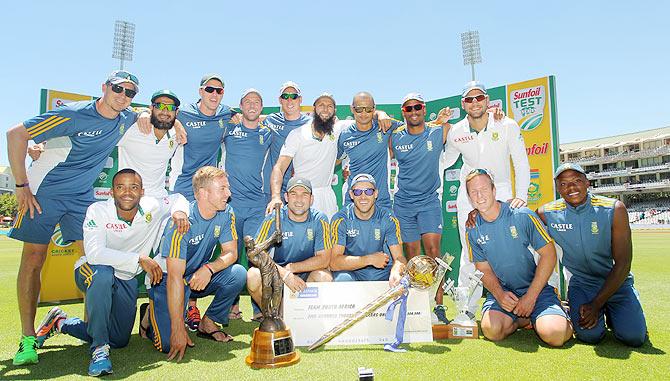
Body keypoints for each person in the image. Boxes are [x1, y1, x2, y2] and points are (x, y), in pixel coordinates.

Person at [7, 70, 140, 366]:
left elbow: (150, 114)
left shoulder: (126, 117)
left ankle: (93, 334)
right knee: (33, 261)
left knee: (95, 264)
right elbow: (16, 134)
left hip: (82, 199)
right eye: (118, 88)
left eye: (130, 93)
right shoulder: (74, 114)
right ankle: (28, 337)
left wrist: (150, 116)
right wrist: (21, 185)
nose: (123, 96)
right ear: (104, 87)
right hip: (44, 193)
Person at [33, 169, 189, 376]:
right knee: (104, 274)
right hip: (91, 269)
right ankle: (99, 350)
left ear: (142, 192)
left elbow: (178, 198)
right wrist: (138, 259)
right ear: (111, 191)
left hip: (126, 276)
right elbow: (95, 253)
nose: (127, 192)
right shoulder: (97, 210)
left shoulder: (151, 206)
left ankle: (60, 322)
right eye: (120, 187)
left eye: (133, 187)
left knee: (118, 340)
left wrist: (180, 212)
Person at [441, 81, 530, 316]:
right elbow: (444, 161)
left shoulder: (507, 124)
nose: (474, 103)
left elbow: (521, 162)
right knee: (470, 251)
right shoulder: (456, 131)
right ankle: (466, 310)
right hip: (468, 196)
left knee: (512, 247)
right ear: (463, 104)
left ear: (487, 101)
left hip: (501, 191)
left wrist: (521, 196)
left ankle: (525, 304)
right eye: (469, 99)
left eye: (479, 98)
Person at [140, 166, 246, 361]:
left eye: (227, 188)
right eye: (222, 189)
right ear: (203, 194)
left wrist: (209, 268)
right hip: (166, 280)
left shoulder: (226, 212)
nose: (228, 194)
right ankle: (149, 311)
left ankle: (209, 322)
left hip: (196, 276)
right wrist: (178, 328)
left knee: (238, 273)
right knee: (167, 344)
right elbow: (174, 277)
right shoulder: (183, 222)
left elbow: (231, 253)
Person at [538, 163, 647, 347]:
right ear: (558, 188)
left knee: (633, 337)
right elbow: (523, 223)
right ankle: (596, 311)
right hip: (582, 284)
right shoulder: (547, 213)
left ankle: (613, 311)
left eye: (577, 181)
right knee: (589, 336)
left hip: (616, 282)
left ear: (587, 183)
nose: (571, 187)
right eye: (563, 184)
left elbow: (623, 263)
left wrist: (597, 304)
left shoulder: (614, 209)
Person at [465, 169, 572, 347]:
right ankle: (524, 320)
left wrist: (530, 297)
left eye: (484, 189)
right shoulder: (472, 227)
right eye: (473, 192)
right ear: (469, 197)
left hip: (537, 290)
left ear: (494, 190)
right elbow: (482, 268)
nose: (479, 196)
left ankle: (556, 314)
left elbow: (549, 254)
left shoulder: (521, 215)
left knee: (555, 335)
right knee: (492, 331)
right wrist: (499, 295)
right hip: (505, 291)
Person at [390, 93, 451, 310]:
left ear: (424, 110)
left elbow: (471, 125)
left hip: (429, 202)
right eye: (409, 109)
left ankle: (439, 304)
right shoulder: (395, 136)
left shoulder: (439, 131)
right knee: (413, 255)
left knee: (434, 251)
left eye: (417, 107)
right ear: (403, 113)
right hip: (404, 204)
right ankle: (418, 305)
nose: (414, 112)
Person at [139, 74, 238, 201]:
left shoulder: (226, 113)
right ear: (200, 91)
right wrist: (145, 114)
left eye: (219, 91)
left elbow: (251, 117)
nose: (214, 94)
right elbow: (160, 113)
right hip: (183, 186)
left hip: (208, 188)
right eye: (209, 89)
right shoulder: (184, 113)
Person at [247, 177, 332, 320]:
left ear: (311, 199)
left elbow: (324, 259)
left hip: (305, 275)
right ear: (286, 197)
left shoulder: (320, 219)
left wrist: (292, 268)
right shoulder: (274, 218)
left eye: (304, 194)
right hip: (277, 275)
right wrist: (285, 275)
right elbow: (255, 254)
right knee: (253, 276)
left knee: (324, 277)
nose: (299, 199)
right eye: (294, 194)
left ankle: (299, 315)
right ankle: (273, 317)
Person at [330, 173, 406, 286]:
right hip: (352, 271)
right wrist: (369, 259)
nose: (363, 196)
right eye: (357, 192)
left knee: (400, 278)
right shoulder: (341, 219)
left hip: (381, 271)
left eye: (369, 191)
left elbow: (399, 257)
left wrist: (397, 271)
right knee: (342, 280)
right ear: (351, 194)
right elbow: (334, 262)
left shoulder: (388, 217)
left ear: (376, 194)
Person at [337, 92, 401, 209]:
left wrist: (381, 114)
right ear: (352, 109)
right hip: (353, 200)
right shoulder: (345, 135)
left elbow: (414, 128)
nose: (364, 114)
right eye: (359, 109)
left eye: (368, 109)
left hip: (380, 200)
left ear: (374, 108)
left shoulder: (384, 125)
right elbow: (333, 161)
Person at [263, 81, 313, 197]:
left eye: (294, 96)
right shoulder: (271, 120)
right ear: (280, 100)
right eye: (285, 96)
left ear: (300, 99)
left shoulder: (311, 124)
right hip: (274, 187)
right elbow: (252, 119)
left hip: (300, 188)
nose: (289, 100)